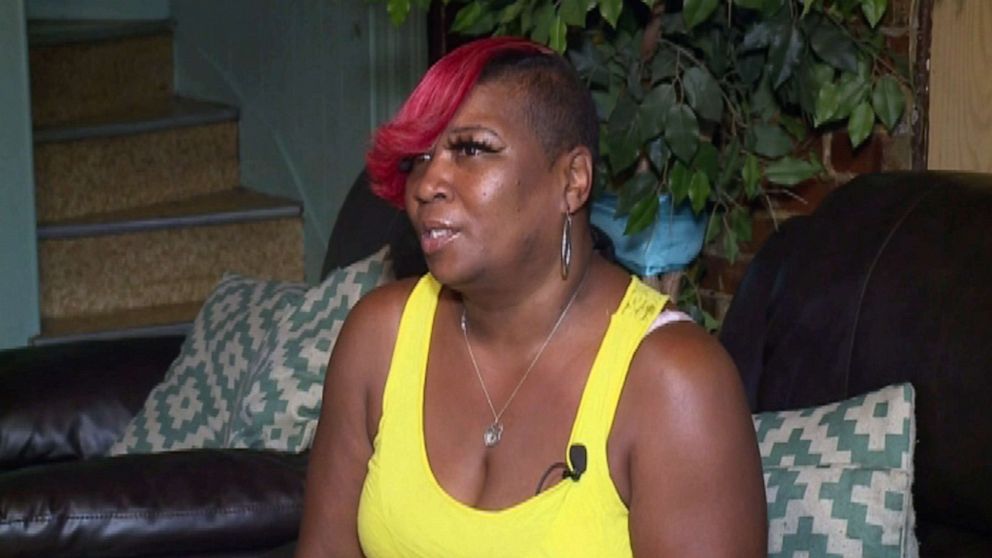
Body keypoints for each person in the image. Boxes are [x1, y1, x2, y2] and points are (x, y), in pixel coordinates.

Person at [296, 36, 767, 557]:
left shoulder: (672, 382)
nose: (428, 183)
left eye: (472, 149)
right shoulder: (378, 338)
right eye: (419, 159)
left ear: (573, 181)